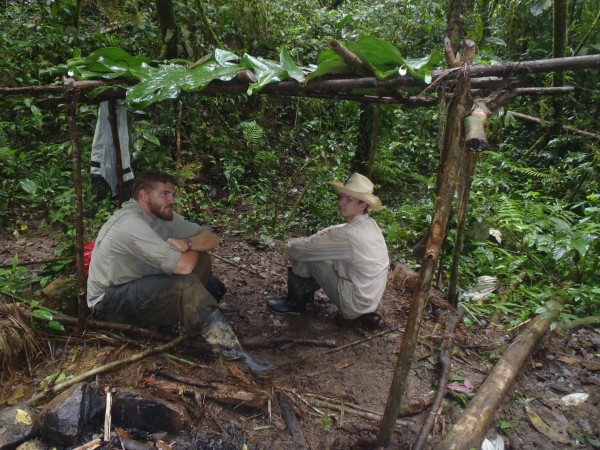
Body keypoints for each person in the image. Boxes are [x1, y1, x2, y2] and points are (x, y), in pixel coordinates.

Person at [87, 169, 270, 374]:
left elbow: (210, 238)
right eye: (164, 194)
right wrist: (191, 248)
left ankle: (186, 320)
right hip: (109, 302)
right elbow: (184, 267)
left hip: (139, 285)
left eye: (172, 194)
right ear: (144, 195)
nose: (172, 199)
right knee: (186, 284)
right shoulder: (130, 224)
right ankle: (233, 357)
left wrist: (187, 243)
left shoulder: (161, 218)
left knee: (202, 258)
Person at [267, 173, 389, 329]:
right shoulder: (369, 225)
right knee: (314, 248)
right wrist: (309, 241)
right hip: (368, 299)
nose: (341, 203)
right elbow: (333, 230)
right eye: (342, 197)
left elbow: (303, 248)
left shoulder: (349, 235)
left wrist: (290, 247)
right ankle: (306, 297)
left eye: (348, 200)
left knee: (307, 254)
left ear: (362, 205)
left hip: (355, 303)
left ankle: (295, 304)